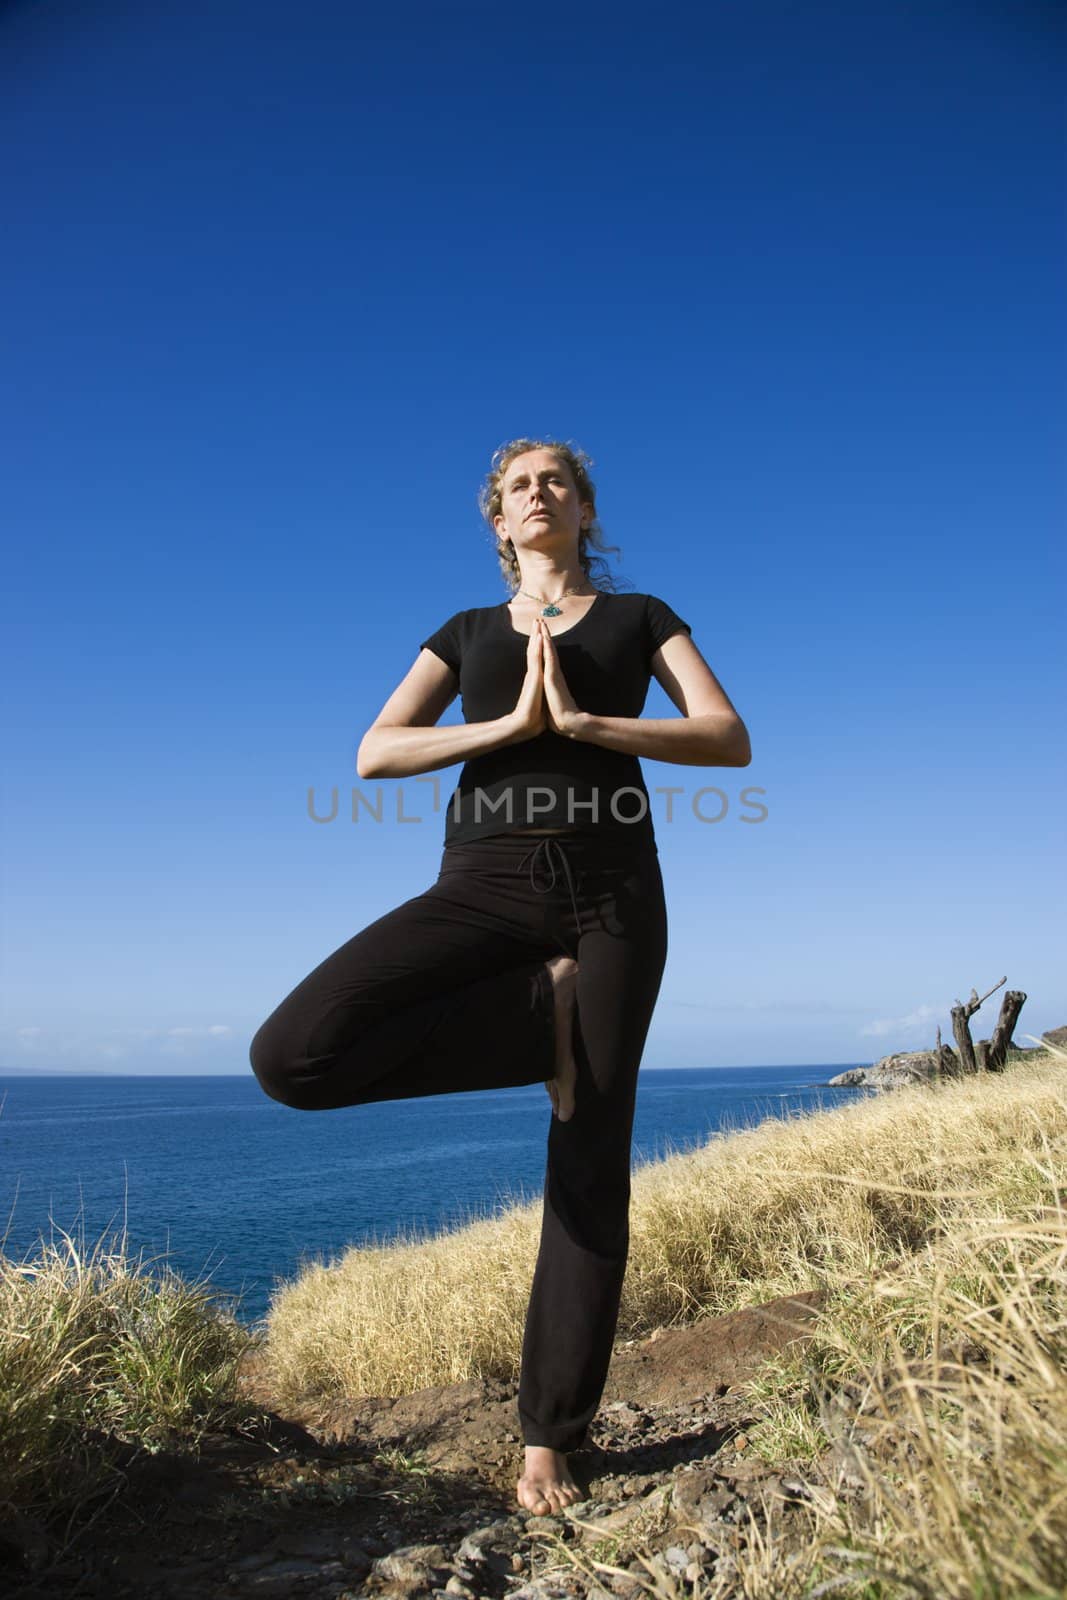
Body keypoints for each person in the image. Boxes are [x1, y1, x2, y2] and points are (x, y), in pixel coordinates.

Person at [249, 437, 751, 1517]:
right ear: (497, 520)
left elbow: (725, 735)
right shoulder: (466, 631)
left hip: (613, 891)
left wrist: (582, 724)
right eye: (518, 484)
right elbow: (374, 750)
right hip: (481, 878)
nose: (537, 494)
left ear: (582, 508)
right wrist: (510, 725)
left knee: (589, 1151)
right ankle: (540, 1023)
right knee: (292, 1054)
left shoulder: (640, 616)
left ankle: (549, 1439)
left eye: (554, 480)